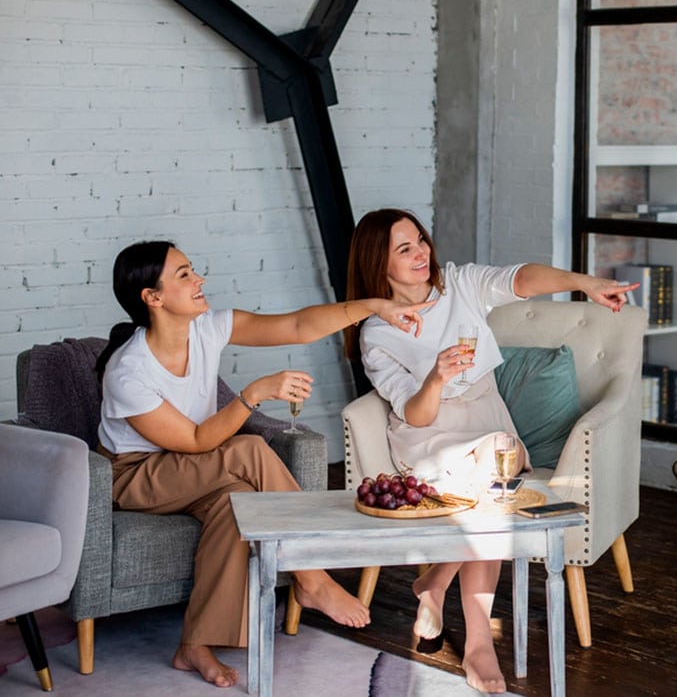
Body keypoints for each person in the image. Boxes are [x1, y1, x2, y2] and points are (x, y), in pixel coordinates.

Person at [96, 240, 432, 688]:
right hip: (136, 474)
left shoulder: (206, 329)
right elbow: (197, 441)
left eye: (193, 269)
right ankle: (312, 576)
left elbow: (296, 325)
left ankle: (193, 645)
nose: (200, 280)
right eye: (184, 275)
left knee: (240, 503)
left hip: (191, 468)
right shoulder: (128, 371)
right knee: (250, 450)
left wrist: (373, 306)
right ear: (152, 298)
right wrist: (253, 394)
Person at [345, 208, 637, 693]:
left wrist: (584, 282)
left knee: (499, 461)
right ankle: (479, 642)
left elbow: (521, 279)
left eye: (420, 241)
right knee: (497, 485)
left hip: (486, 416)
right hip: (430, 434)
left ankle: (436, 582)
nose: (422, 253)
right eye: (405, 249)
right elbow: (415, 414)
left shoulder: (458, 284)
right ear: (379, 265)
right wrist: (436, 379)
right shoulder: (377, 333)